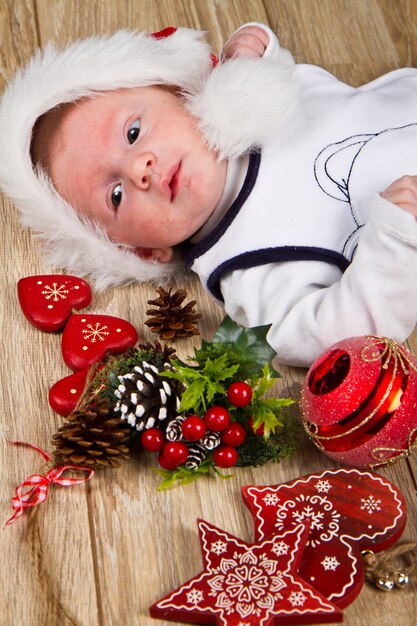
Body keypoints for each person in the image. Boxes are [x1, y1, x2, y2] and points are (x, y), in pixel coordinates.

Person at [1, 23, 417, 367]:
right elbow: (338, 338)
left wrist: (255, 52)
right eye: (115, 195)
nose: (138, 168)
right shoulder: (253, 273)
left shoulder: (252, 97)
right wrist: (395, 244)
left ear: (181, 91)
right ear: (142, 251)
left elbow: (296, 77)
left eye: (133, 132)